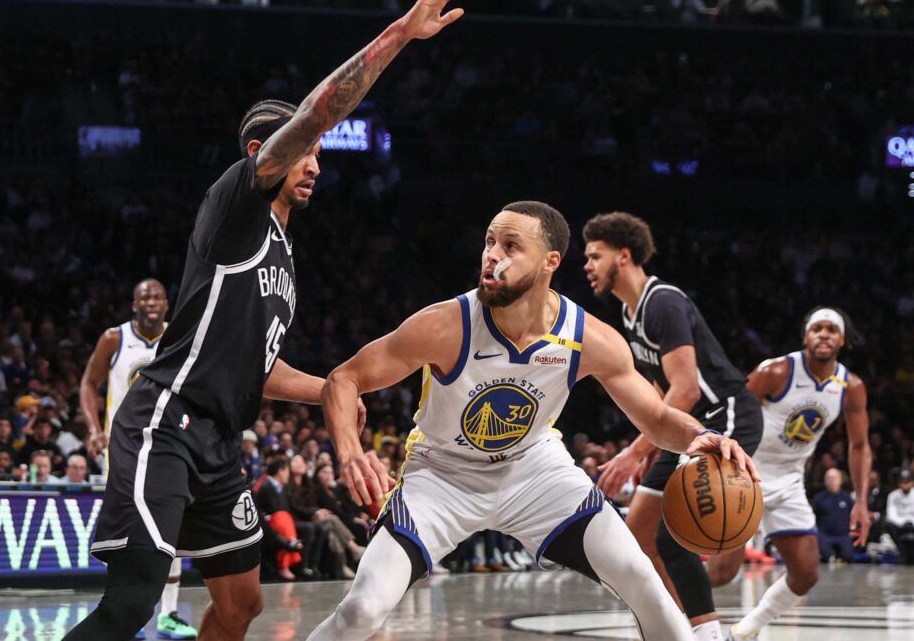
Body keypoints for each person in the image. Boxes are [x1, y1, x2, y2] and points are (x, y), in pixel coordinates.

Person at [65, 0, 470, 639]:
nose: (317, 162)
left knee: (242, 604)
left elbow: (258, 364)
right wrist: (402, 32)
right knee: (133, 603)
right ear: (267, 154)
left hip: (221, 440)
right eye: (307, 153)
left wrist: (331, 387)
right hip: (167, 421)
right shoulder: (237, 203)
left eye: (316, 154)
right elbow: (320, 109)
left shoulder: (282, 251)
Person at [307, 201, 759, 641]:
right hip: (441, 474)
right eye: (489, 242)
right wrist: (349, 455)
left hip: (534, 471)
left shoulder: (588, 338)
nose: (492, 255)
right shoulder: (446, 325)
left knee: (646, 584)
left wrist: (700, 436)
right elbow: (343, 380)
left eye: (510, 246)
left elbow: (657, 416)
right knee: (362, 608)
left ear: (550, 262)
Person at [583, 212, 764, 641]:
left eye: (595, 256)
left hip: (724, 416)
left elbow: (684, 390)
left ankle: (706, 634)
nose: (587, 266)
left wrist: (635, 452)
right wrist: (653, 446)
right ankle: (681, 628)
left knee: (669, 539)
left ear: (623, 256)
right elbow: (659, 395)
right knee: (638, 539)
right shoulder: (631, 316)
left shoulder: (662, 301)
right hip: (687, 429)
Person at [704, 306, 870, 638]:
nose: (824, 334)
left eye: (831, 329)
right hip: (745, 472)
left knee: (806, 573)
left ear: (843, 339)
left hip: (790, 479)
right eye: (817, 328)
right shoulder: (777, 371)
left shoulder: (850, 386)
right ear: (805, 336)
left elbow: (859, 446)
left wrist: (861, 501)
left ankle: (744, 631)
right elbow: (730, 412)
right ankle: (663, 606)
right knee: (722, 572)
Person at [79, 278, 195, 640]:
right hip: (125, 450)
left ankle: (170, 614)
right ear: (134, 303)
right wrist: (93, 428)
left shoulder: (180, 335)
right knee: (129, 536)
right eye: (144, 296)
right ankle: (126, 612)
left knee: (171, 532)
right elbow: (88, 383)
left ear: (166, 303)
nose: (151, 301)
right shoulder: (115, 338)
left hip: (170, 447)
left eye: (157, 296)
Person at [812, 468, 856, 562]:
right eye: (829, 478)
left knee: (848, 556)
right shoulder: (819, 498)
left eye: (834, 478)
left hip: (843, 534)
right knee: (825, 556)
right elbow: (812, 515)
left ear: (840, 480)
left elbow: (854, 513)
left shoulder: (847, 497)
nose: (832, 480)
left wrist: (853, 529)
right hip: (825, 534)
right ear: (825, 480)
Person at [886, 469, 914, 564]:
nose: (905, 484)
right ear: (898, 483)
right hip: (899, 525)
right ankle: (902, 552)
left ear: (912, 482)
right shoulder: (893, 495)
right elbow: (891, 514)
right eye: (902, 482)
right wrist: (903, 523)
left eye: (907, 482)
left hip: (913, 523)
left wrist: (911, 522)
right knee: (887, 524)